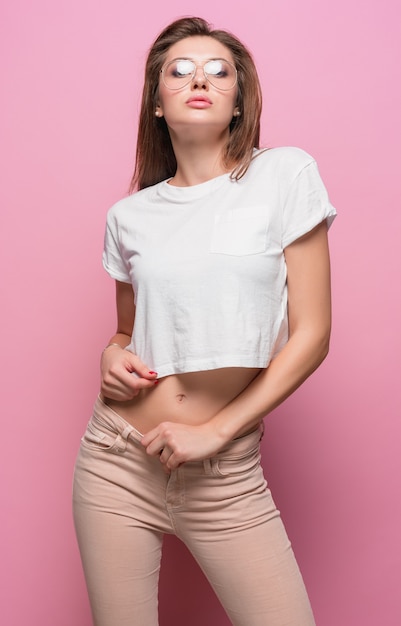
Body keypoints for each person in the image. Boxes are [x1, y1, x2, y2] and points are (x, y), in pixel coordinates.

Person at [72, 16, 336, 626]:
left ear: (240, 101)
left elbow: (313, 333)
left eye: (220, 72)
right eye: (179, 70)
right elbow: (126, 332)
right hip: (116, 459)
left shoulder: (283, 174)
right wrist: (109, 356)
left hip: (224, 468)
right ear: (157, 102)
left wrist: (216, 432)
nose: (200, 80)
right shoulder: (129, 215)